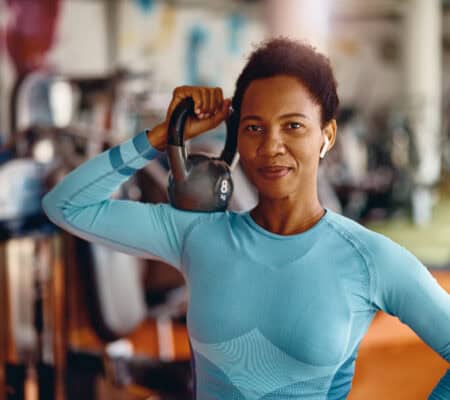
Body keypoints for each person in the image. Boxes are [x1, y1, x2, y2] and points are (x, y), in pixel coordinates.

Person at [42, 37, 450, 399]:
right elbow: (66, 206)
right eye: (254, 128)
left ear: (326, 136)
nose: (271, 145)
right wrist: (162, 135)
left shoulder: (369, 259)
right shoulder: (198, 235)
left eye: (293, 126)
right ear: (237, 137)